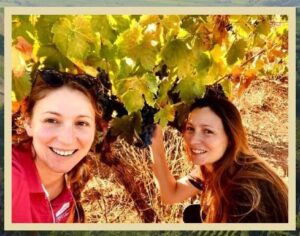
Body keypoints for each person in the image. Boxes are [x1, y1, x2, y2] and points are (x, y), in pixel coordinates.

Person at [150, 91, 288, 223]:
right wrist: (155, 143)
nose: (193, 141)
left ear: (230, 138)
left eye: (208, 131)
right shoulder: (219, 165)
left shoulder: (245, 197)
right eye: (190, 128)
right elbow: (171, 195)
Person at [12, 69, 103, 223]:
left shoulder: (69, 181)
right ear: (28, 122)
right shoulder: (11, 178)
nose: (66, 139)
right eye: (51, 120)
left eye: (81, 123)